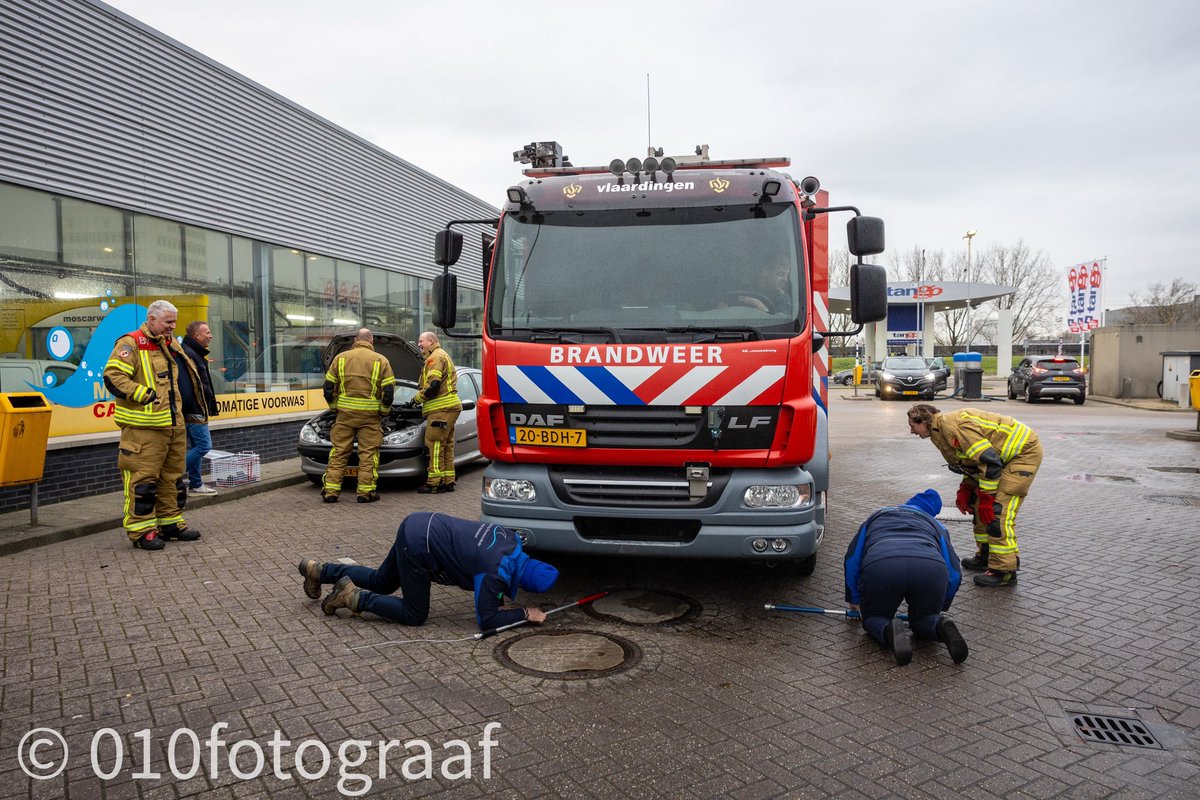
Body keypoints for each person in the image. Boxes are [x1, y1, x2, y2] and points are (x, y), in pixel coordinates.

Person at [297, 511, 559, 629]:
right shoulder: (494, 572)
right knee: (415, 614)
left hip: (419, 523)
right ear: (523, 583)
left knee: (382, 581)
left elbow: (489, 570)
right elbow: (487, 620)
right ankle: (351, 597)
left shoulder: (511, 539)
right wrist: (525, 613)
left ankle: (319, 570)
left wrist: (498, 600)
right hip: (420, 547)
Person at [102, 299, 204, 550]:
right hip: (144, 428)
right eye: (168, 322)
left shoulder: (170, 343)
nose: (172, 326)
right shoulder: (131, 343)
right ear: (151, 319)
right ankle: (142, 531)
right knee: (143, 481)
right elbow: (113, 376)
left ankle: (170, 523)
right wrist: (143, 394)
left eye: (174, 322)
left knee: (173, 479)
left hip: (173, 425)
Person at [907, 403, 1043, 588]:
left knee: (997, 513)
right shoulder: (938, 431)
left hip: (1022, 455)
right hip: (999, 460)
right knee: (978, 507)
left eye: (913, 426)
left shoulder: (953, 427)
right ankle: (986, 556)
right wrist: (967, 488)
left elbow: (990, 463)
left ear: (924, 421)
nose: (912, 431)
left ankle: (1004, 571)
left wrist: (987, 498)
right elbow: (972, 462)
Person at [844, 489, 967, 666]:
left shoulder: (878, 515)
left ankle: (889, 629)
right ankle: (940, 625)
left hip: (884, 565)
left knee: (874, 618)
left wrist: (854, 599)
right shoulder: (934, 524)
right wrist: (941, 604)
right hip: (930, 567)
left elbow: (852, 559)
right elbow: (954, 571)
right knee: (924, 619)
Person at [321, 328, 395, 503]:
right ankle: (365, 493)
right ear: (371, 340)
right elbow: (389, 392)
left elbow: (328, 388)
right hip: (370, 417)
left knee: (338, 453)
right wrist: (383, 411)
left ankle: (331, 492)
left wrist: (334, 408)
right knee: (368, 455)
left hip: (345, 416)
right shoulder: (381, 360)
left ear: (355, 340)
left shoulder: (340, 358)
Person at [406, 331, 462, 494]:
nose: (419, 344)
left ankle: (434, 483)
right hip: (449, 407)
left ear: (431, 341)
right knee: (446, 446)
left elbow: (433, 386)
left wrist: (415, 399)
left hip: (441, 408)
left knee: (435, 445)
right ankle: (448, 481)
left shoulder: (434, 358)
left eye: (421, 341)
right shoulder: (441, 354)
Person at [176, 320, 220, 495]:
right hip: (195, 409)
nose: (211, 336)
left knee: (197, 445)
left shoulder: (193, 352)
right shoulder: (190, 354)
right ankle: (169, 475)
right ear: (197, 336)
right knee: (203, 446)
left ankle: (196, 483)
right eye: (207, 332)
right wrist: (205, 395)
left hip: (196, 408)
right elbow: (192, 385)